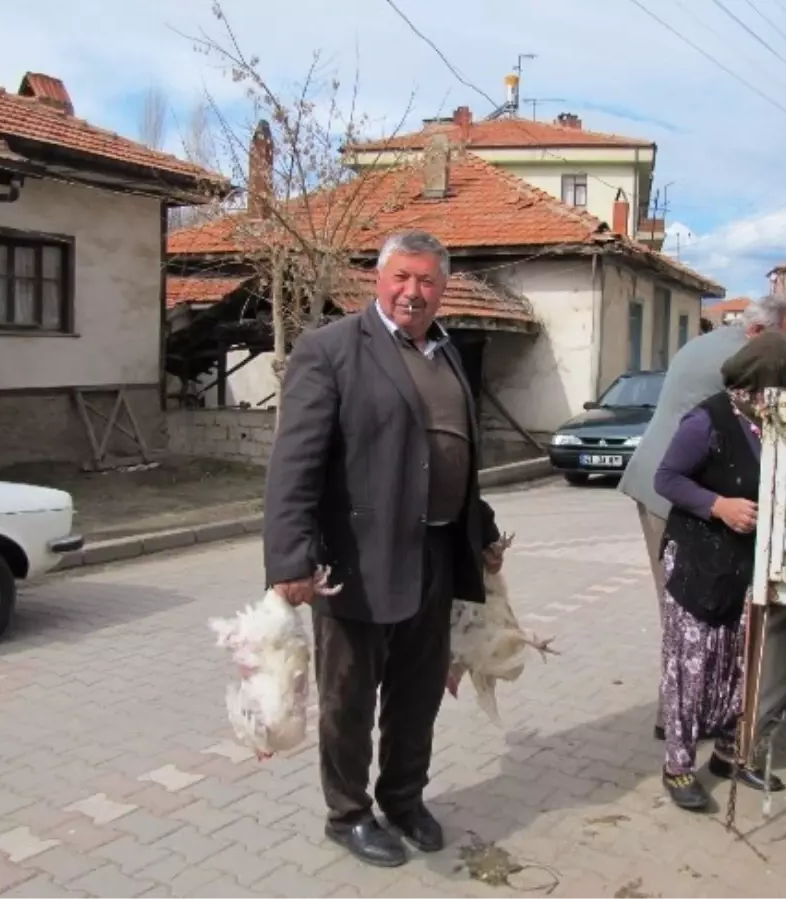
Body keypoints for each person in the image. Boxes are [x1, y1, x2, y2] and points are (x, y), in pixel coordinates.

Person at [263, 230, 505, 868]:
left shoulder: (450, 353)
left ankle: (403, 797)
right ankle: (347, 814)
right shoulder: (331, 350)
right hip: (355, 560)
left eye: (427, 281)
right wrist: (289, 558)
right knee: (348, 697)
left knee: (418, 691)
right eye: (402, 277)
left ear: (443, 288)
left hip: (435, 552)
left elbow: (450, 451)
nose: (413, 292)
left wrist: (480, 530)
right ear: (378, 278)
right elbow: (295, 463)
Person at [617, 295, 786, 739]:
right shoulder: (734, 359)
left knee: (693, 612)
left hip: (674, 485)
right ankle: (674, 721)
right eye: (782, 342)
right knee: (684, 612)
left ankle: (695, 710)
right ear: (758, 334)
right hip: (672, 490)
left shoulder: (717, 340)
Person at [652, 331, 786, 811]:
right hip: (698, 563)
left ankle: (729, 753)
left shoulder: (772, 421)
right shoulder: (710, 420)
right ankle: (678, 768)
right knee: (692, 669)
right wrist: (718, 504)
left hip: (742, 566)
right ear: (772, 377)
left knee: (738, 666)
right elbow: (667, 478)